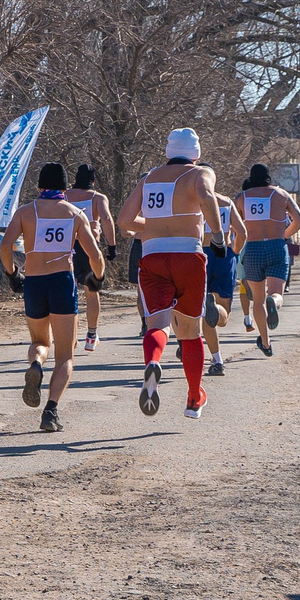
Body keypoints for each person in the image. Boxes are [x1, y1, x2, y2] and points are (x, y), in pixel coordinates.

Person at [116, 129, 225, 418]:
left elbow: (124, 220)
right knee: (190, 333)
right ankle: (193, 397)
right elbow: (206, 195)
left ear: (168, 152)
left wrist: (154, 227)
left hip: (151, 256)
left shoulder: (149, 178)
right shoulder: (200, 173)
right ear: (197, 154)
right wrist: (217, 236)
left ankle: (153, 362)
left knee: (158, 324)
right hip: (187, 255)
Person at [0, 161, 108, 432]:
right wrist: (98, 278)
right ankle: (51, 410)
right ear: (64, 188)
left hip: (34, 281)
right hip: (62, 281)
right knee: (65, 355)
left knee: (39, 341)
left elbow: (5, 246)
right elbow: (95, 255)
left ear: (39, 186)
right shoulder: (73, 213)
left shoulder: (26, 211)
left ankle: (36, 363)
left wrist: (13, 274)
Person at [236, 163, 300, 357]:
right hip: (276, 246)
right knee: (277, 292)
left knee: (257, 301)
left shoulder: (242, 198)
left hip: (253, 248)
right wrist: (284, 235)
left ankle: (265, 342)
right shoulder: (281, 194)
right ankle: (274, 301)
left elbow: (237, 226)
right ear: (269, 177)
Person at [63, 163, 120, 352]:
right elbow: (106, 218)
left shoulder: (65, 196)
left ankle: (70, 337)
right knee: (91, 291)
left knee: (68, 292)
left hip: (67, 246)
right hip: (89, 248)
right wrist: (112, 246)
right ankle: (91, 335)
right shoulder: (97, 197)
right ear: (93, 180)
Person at [199, 185, 246, 369]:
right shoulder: (226, 202)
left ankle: (216, 359)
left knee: (199, 311)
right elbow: (242, 232)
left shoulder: (193, 200)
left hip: (199, 253)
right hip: (223, 254)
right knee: (222, 317)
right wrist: (235, 252)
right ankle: (216, 307)